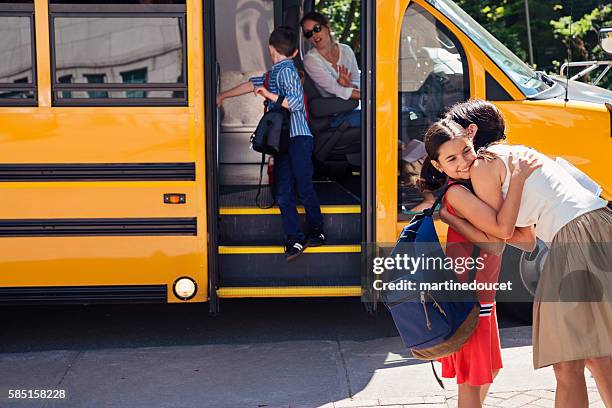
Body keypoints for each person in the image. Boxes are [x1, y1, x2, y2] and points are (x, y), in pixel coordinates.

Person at [442, 99, 612, 408]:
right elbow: (527, 238)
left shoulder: (485, 162)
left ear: (471, 132)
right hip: (599, 225)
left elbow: (499, 234)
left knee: (566, 359)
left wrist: (454, 217)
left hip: (573, 237)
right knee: (598, 353)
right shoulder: (518, 153)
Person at [420, 120, 540, 408]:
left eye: (466, 151)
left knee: (487, 373)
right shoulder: (457, 193)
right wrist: (519, 182)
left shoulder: (472, 187)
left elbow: (527, 241)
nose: (463, 162)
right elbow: (498, 241)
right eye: (451, 159)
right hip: (470, 298)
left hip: (482, 296)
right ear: (438, 166)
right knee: (472, 383)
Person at [216, 26, 325, 261]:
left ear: (270, 48)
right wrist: (222, 96)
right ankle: (297, 237)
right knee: (287, 190)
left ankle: (311, 233)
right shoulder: (272, 73)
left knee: (295, 189)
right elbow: (250, 84)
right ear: (296, 52)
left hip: (297, 138)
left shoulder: (286, 71)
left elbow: (295, 103)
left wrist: (268, 94)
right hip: (285, 141)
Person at [300, 11, 361, 128]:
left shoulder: (346, 50)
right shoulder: (311, 60)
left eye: (317, 29)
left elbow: (357, 83)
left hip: (351, 110)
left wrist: (349, 85)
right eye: (308, 33)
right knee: (376, 116)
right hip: (333, 117)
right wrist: (373, 96)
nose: (314, 35)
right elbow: (336, 89)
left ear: (327, 27)